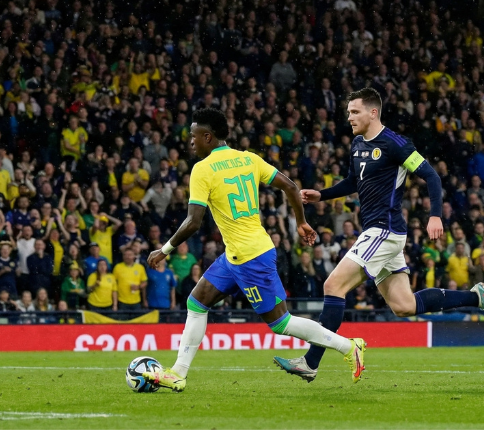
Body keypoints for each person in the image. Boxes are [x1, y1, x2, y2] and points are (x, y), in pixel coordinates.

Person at [144, 108, 364, 392]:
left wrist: (164, 250)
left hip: (250, 257)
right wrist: (301, 221)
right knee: (196, 303)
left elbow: (193, 222)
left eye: (194, 136)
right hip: (238, 253)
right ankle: (178, 373)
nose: (191, 142)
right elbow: (290, 186)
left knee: (281, 323)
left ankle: (349, 346)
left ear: (208, 137)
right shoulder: (249, 158)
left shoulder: (203, 168)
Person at [297, 88, 484, 382]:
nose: (349, 117)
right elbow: (353, 182)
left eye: (355, 111)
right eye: (348, 112)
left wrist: (435, 215)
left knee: (333, 285)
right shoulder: (358, 144)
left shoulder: (396, 143)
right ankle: (476, 297)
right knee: (404, 306)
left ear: (373, 112)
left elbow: (431, 175)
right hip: (380, 233)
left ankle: (310, 362)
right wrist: (323, 195)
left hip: (384, 229)